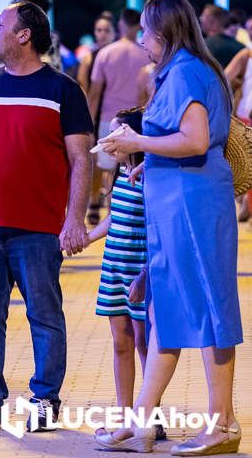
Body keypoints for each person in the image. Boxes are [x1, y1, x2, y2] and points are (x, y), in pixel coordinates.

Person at [96, 0, 242, 455]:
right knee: (167, 315)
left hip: (193, 212)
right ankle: (140, 423)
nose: (140, 39)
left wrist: (136, 140)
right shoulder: (190, 71)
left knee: (208, 315)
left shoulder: (184, 73)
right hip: (180, 209)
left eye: (144, 30)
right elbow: (184, 141)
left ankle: (223, 426)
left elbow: (196, 139)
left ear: (164, 31)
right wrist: (147, 163)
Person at [0, 0, 93, 433]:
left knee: (44, 316)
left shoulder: (62, 89)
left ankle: (45, 399)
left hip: (39, 227)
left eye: (0, 24)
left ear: (24, 35)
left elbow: (81, 159)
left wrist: (74, 218)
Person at [85, 108, 156, 435]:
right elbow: (115, 218)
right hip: (114, 264)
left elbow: (158, 230)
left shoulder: (150, 177)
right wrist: (86, 238)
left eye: (115, 137)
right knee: (121, 342)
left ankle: (148, 416)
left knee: (145, 342)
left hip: (139, 267)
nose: (109, 144)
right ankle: (124, 413)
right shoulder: (121, 174)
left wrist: (145, 275)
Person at [86, 8, 151, 224]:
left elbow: (95, 92)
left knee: (100, 164)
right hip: (135, 121)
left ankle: (94, 204)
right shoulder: (146, 54)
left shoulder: (106, 53)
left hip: (108, 118)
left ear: (121, 24)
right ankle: (119, 210)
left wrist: (88, 124)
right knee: (127, 167)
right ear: (138, 27)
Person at [76, 12, 116, 93]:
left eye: (107, 30)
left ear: (114, 33)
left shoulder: (120, 56)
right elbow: (83, 90)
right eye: (99, 30)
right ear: (94, 32)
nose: (102, 34)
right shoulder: (88, 58)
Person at [200, 4, 245, 68]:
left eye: (204, 16)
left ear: (213, 22)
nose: (200, 19)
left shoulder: (202, 46)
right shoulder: (241, 47)